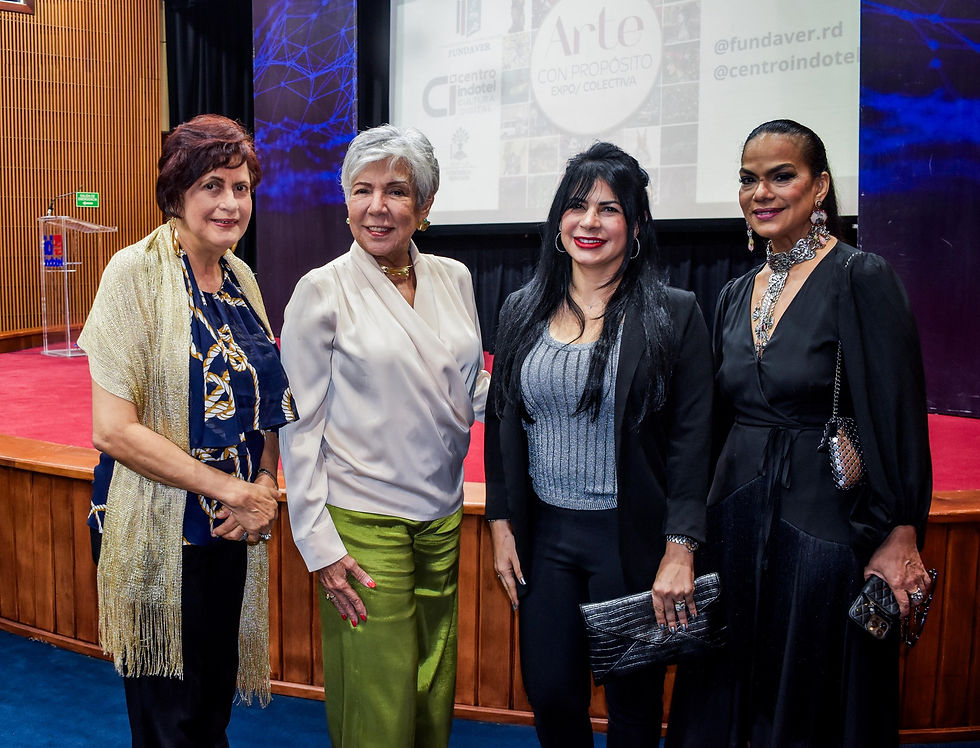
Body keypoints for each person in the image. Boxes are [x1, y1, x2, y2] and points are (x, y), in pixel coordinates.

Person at [666, 119, 934, 748]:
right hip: (734, 517)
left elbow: (897, 412)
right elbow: (714, 421)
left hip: (823, 521)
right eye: (748, 179)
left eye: (781, 176)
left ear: (820, 187)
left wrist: (901, 532)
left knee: (808, 690)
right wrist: (687, 533)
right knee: (727, 687)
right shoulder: (734, 293)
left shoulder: (860, 276)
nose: (760, 192)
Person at [485, 142, 714, 747]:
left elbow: (694, 441)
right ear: (558, 219)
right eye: (577, 206)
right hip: (545, 540)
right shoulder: (520, 309)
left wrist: (681, 547)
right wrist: (501, 524)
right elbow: (502, 419)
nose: (589, 222)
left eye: (608, 209)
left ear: (635, 227)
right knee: (551, 694)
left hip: (631, 538)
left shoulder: (674, 313)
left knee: (634, 706)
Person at [78, 114, 297, 745]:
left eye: (241, 187)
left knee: (210, 714)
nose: (231, 203)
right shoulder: (133, 274)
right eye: (212, 186)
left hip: (230, 527)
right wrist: (232, 490)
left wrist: (262, 482)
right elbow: (113, 431)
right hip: (157, 530)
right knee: (169, 726)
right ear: (176, 194)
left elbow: (266, 398)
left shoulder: (240, 278)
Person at [279, 124, 490, 748]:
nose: (378, 206)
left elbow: (467, 387)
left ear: (424, 206)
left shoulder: (454, 277)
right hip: (363, 524)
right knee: (377, 699)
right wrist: (318, 543)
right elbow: (299, 426)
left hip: (442, 514)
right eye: (362, 190)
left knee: (430, 689)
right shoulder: (321, 290)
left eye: (396, 191)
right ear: (345, 201)